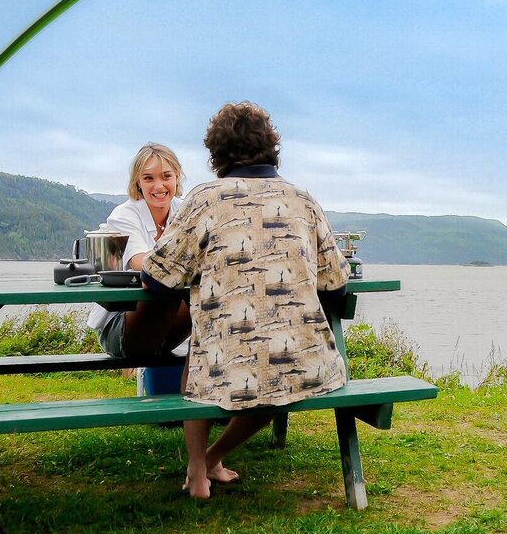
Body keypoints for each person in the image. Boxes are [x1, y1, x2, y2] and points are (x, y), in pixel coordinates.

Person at [140, 101, 350, 499]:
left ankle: (199, 470)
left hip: (223, 364)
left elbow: (157, 277)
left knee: (198, 359)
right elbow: (337, 287)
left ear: (216, 153)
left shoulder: (206, 200)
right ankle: (214, 458)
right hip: (304, 368)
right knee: (277, 374)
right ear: (272, 147)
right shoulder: (303, 200)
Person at [87, 143, 192, 359]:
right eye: (149, 178)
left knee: (212, 292)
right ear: (138, 182)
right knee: (163, 283)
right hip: (121, 323)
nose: (159, 186)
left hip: (168, 327)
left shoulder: (186, 210)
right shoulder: (124, 215)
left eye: (166, 176)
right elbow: (146, 266)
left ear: (176, 177)